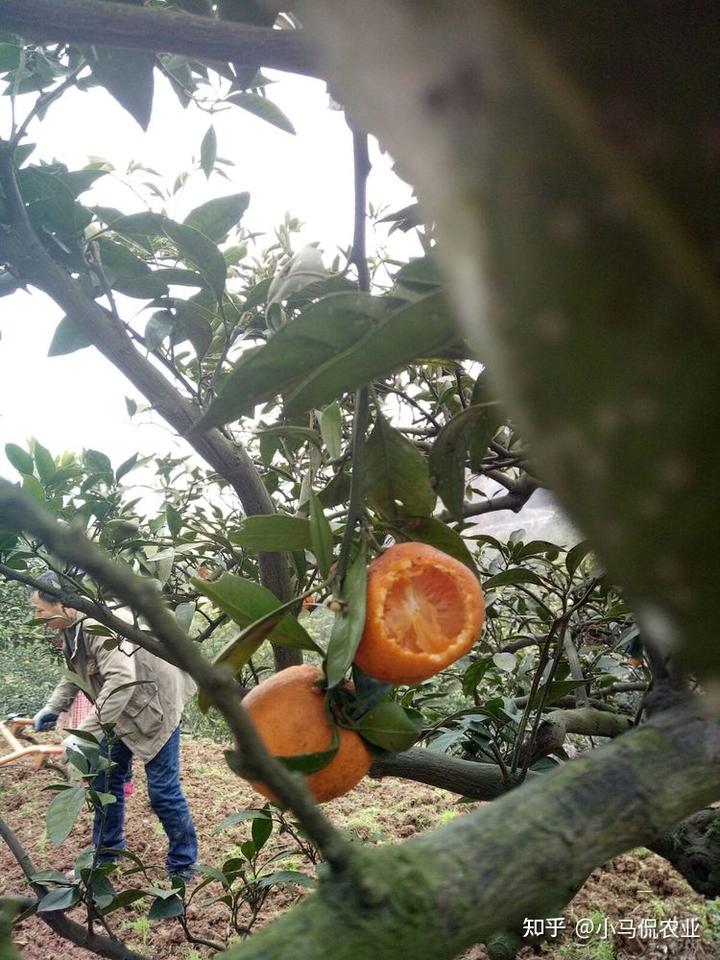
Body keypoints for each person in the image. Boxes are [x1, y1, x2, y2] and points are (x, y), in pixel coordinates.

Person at [30, 571, 198, 880]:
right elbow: (75, 675)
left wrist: (83, 736)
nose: (37, 617)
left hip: (156, 705)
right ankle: (104, 858)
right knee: (105, 783)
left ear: (63, 604)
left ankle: (184, 865)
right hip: (119, 709)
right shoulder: (71, 628)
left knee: (163, 791)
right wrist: (52, 708)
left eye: (40, 609)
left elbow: (123, 678)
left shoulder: (98, 623)